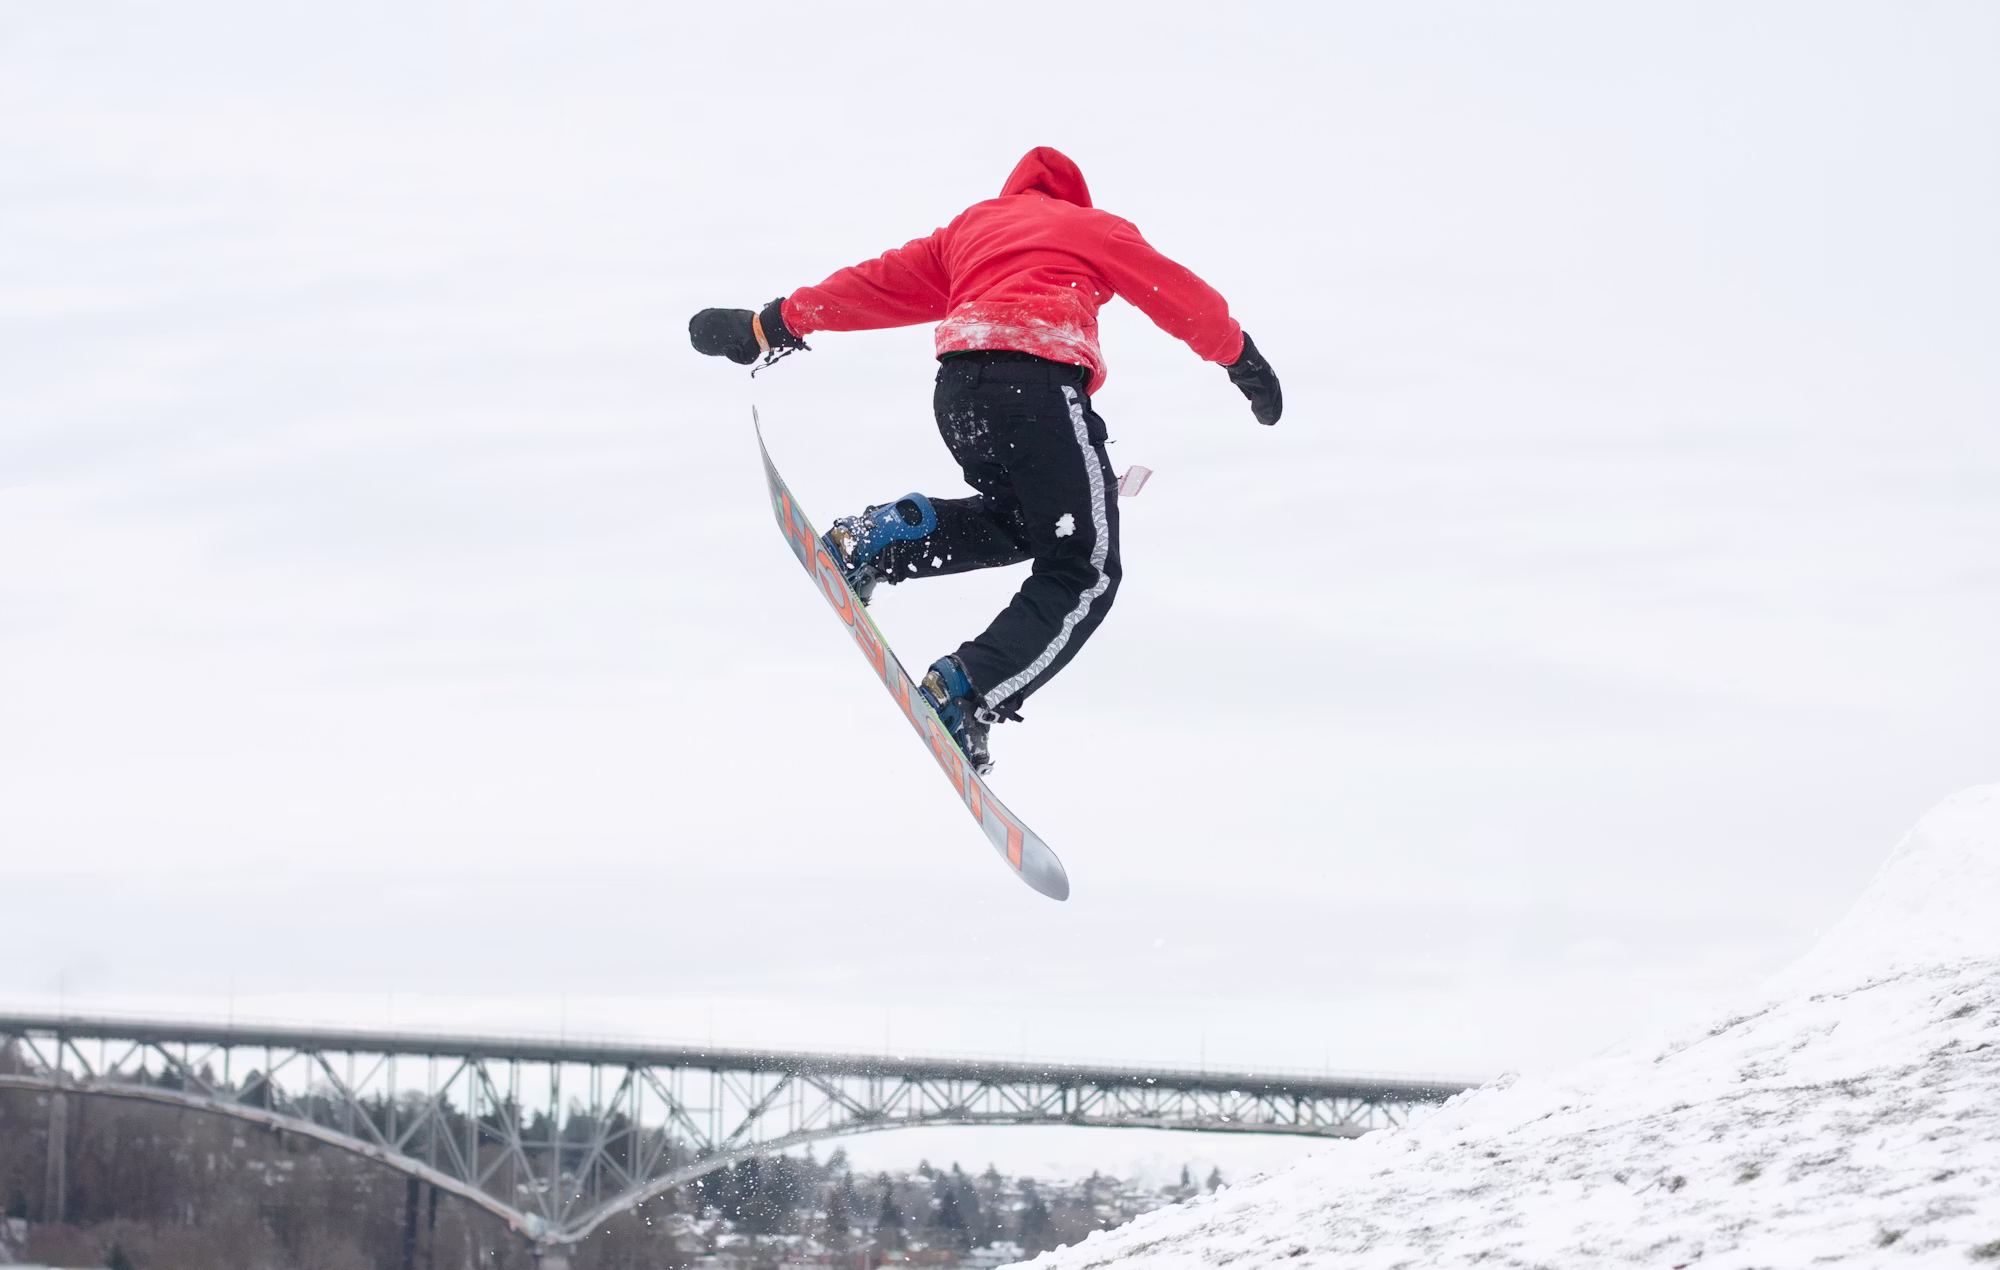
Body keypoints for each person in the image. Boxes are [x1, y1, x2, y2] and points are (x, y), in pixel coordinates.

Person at [691, 146, 1280, 774]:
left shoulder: (972, 232)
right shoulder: (1091, 228)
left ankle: (881, 540)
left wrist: (771, 324)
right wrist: (1243, 360)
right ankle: (968, 689)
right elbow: (1178, 294)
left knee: (1025, 522)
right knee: (1084, 570)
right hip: (1039, 385)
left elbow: (878, 284)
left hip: (960, 391)